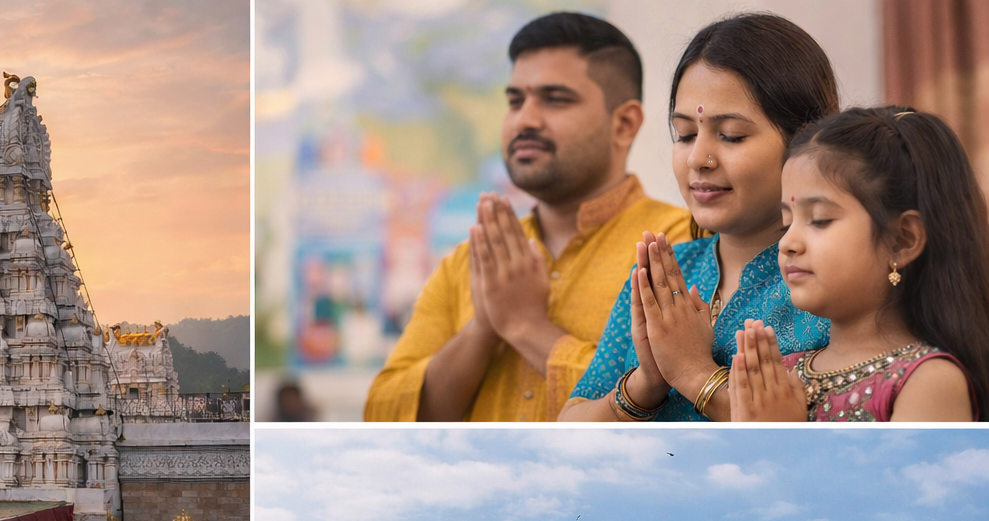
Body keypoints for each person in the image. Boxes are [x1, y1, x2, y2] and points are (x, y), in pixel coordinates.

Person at [365, 12, 690, 422]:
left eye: (555, 99)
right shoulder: (469, 263)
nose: (524, 119)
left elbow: (685, 405)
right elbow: (382, 415)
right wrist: (482, 329)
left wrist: (525, 327)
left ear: (623, 124)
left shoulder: (684, 245)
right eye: (515, 100)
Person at [560, 13, 838, 421]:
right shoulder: (663, 277)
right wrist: (646, 384)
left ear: (805, 141)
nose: (698, 159)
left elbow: (844, 438)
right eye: (686, 134)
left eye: (730, 136)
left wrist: (692, 371)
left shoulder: (838, 279)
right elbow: (569, 424)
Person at [729, 106, 986, 421]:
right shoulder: (782, 377)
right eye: (786, 224)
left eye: (820, 220)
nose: (787, 243)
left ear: (902, 240)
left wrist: (783, 434)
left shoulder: (930, 381)